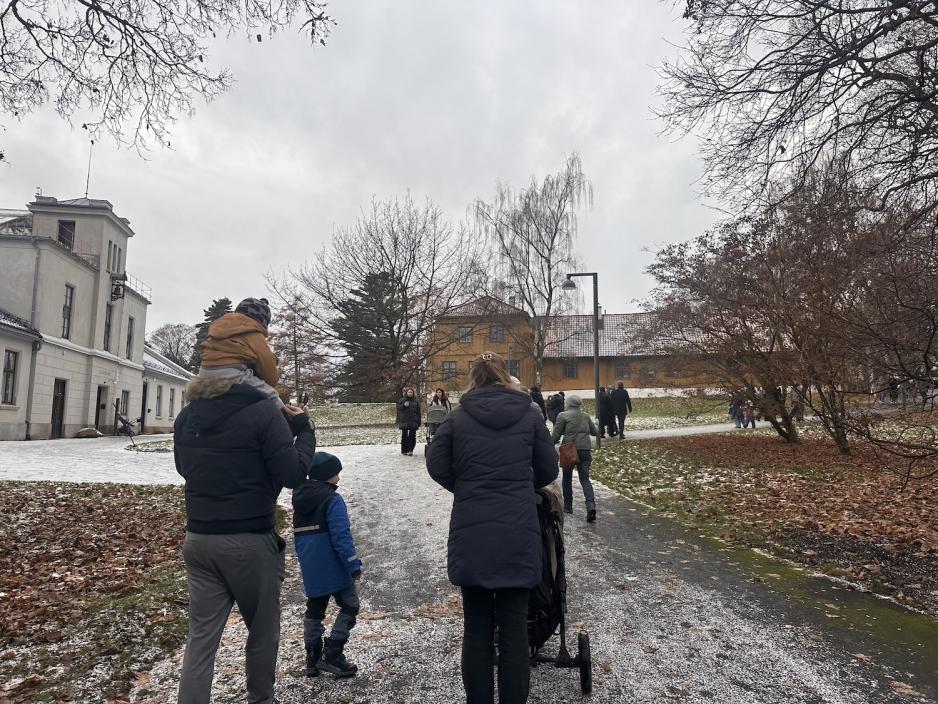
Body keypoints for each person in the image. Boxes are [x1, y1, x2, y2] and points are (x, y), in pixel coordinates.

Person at [174, 375, 316, 704]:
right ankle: (261, 699)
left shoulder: (187, 415)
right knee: (262, 631)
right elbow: (293, 473)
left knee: (201, 639)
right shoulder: (263, 412)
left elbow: (184, 468)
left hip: (198, 538)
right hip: (249, 539)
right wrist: (304, 431)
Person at [426, 351, 558, 704]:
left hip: (474, 532)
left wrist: (466, 486)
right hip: (517, 529)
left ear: (474, 378)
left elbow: (436, 464)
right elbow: (548, 470)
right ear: (505, 375)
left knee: (477, 628)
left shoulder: (459, 417)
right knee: (514, 628)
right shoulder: (529, 414)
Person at [292, 452, 362, 678]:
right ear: (326, 476)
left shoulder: (300, 498)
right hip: (333, 563)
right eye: (335, 474)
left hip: (311, 564)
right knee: (350, 605)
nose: (338, 479)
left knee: (315, 608)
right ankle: (332, 653)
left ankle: (312, 658)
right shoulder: (332, 500)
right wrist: (353, 564)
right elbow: (341, 537)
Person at [198, 297, 282, 404]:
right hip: (231, 373)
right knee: (273, 397)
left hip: (204, 371)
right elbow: (270, 377)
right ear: (262, 322)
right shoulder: (254, 333)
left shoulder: (219, 328)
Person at [551, 395, 599, 522]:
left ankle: (568, 507)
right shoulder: (585, 416)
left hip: (569, 450)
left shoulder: (563, 415)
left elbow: (555, 435)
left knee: (567, 478)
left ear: (569, 404)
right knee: (585, 478)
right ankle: (590, 505)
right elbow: (595, 432)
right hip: (585, 450)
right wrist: (597, 424)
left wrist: (549, 444)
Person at [397, 387, 421, 455]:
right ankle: (404, 450)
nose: (410, 393)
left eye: (411, 392)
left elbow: (418, 412)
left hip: (413, 421)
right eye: (409, 392)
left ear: (413, 393)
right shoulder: (402, 400)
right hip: (404, 421)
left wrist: (419, 421)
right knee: (404, 435)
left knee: (412, 436)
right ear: (406, 393)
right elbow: (399, 408)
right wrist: (404, 405)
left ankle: (410, 450)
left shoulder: (416, 401)